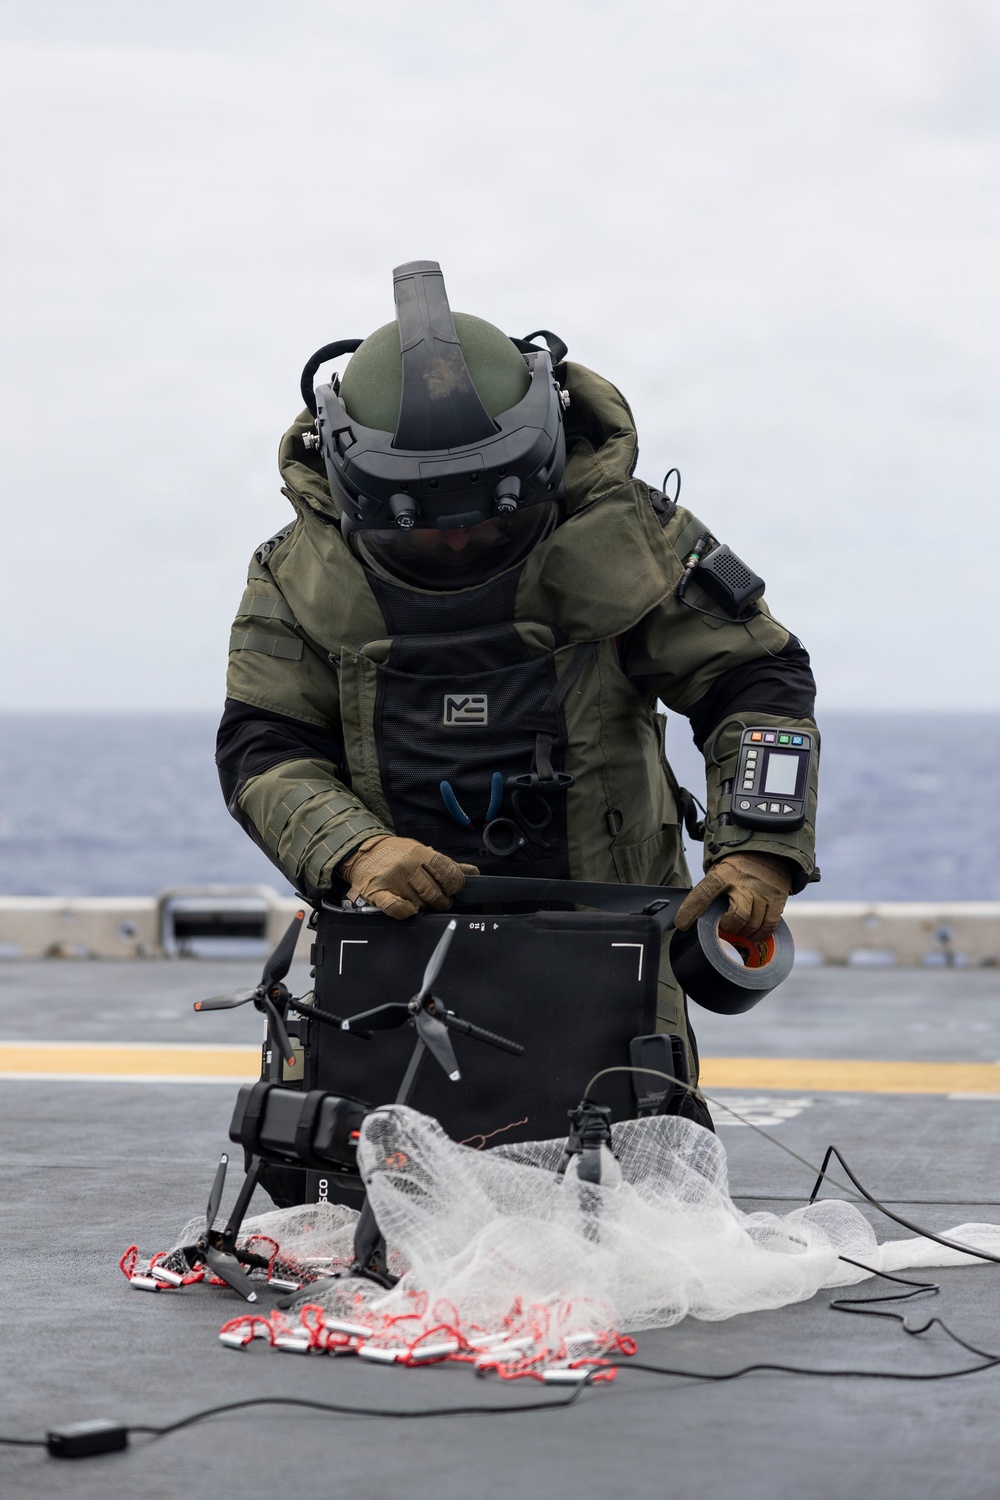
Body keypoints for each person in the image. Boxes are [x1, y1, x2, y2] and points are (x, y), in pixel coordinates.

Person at [216, 260, 819, 1133]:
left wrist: (760, 849)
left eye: (488, 511)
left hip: (614, 942)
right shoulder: (296, 574)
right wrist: (356, 851)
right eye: (427, 515)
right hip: (397, 927)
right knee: (377, 1192)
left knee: (628, 1174)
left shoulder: (630, 536)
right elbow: (262, 747)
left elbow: (753, 678)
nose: (462, 538)